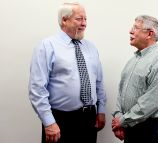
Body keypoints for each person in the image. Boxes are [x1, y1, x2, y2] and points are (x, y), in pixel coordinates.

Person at [28, 2, 106, 143]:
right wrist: (49, 122)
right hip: (60, 120)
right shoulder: (47, 46)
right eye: (79, 19)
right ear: (64, 20)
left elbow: (98, 82)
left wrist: (101, 110)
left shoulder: (91, 47)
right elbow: (37, 88)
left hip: (89, 118)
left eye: (85, 19)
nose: (84, 23)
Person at [111, 15, 158, 143]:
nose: (131, 31)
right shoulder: (133, 60)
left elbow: (153, 101)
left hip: (149, 130)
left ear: (149, 34)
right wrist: (119, 118)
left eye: (136, 28)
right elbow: (121, 92)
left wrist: (123, 121)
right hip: (130, 125)